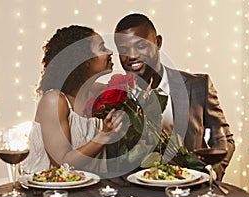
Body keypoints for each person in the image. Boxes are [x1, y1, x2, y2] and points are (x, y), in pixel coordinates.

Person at [112, 13, 235, 181]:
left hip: (191, 191)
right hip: (140, 193)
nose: (131, 56)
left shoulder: (198, 86)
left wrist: (210, 174)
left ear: (158, 43)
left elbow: (225, 140)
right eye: (124, 50)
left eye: (140, 45)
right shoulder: (116, 98)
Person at [21, 25, 123, 175]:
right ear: (85, 60)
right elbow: (62, 163)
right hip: (47, 192)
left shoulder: (99, 93)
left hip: (87, 190)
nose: (110, 52)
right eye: (102, 48)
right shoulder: (54, 101)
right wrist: (104, 136)